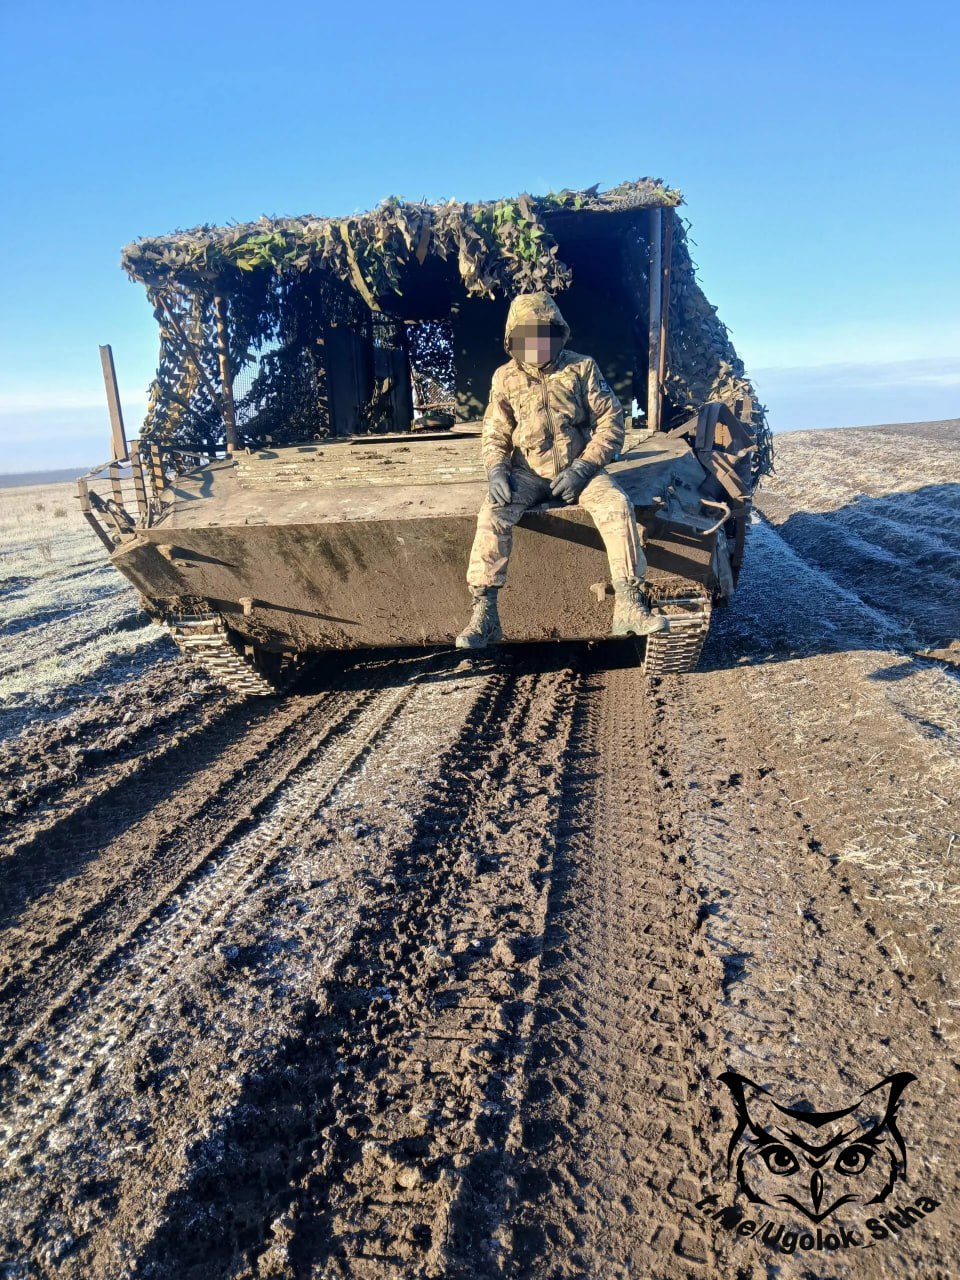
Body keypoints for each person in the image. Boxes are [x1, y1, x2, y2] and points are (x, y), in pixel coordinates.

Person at [455, 291, 668, 649]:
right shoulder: (504, 378)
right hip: (526, 472)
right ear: (513, 339)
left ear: (557, 334)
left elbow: (611, 421)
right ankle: (485, 613)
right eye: (527, 336)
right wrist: (496, 471)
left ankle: (629, 602)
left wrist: (583, 468)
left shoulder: (581, 368)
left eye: (544, 334)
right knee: (491, 514)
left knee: (616, 504)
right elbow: (495, 430)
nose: (537, 344)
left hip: (578, 466)